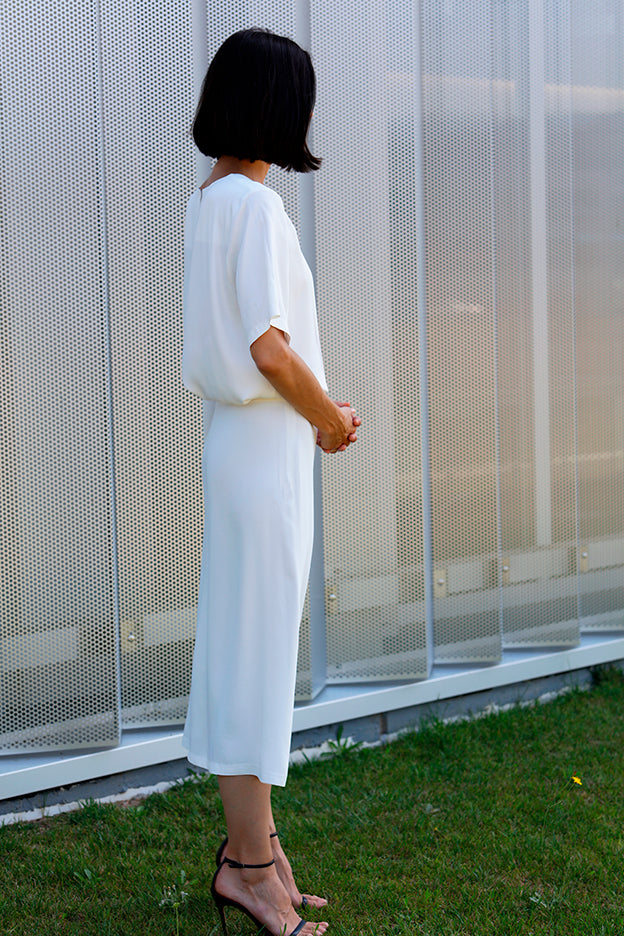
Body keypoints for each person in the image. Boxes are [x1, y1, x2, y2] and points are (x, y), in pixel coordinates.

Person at [181, 28, 360, 936]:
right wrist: (331, 418)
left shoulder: (209, 202)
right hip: (265, 453)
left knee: (241, 650)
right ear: (278, 107)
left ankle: (259, 854)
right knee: (255, 659)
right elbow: (270, 351)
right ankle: (250, 871)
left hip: (238, 446)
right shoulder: (255, 209)